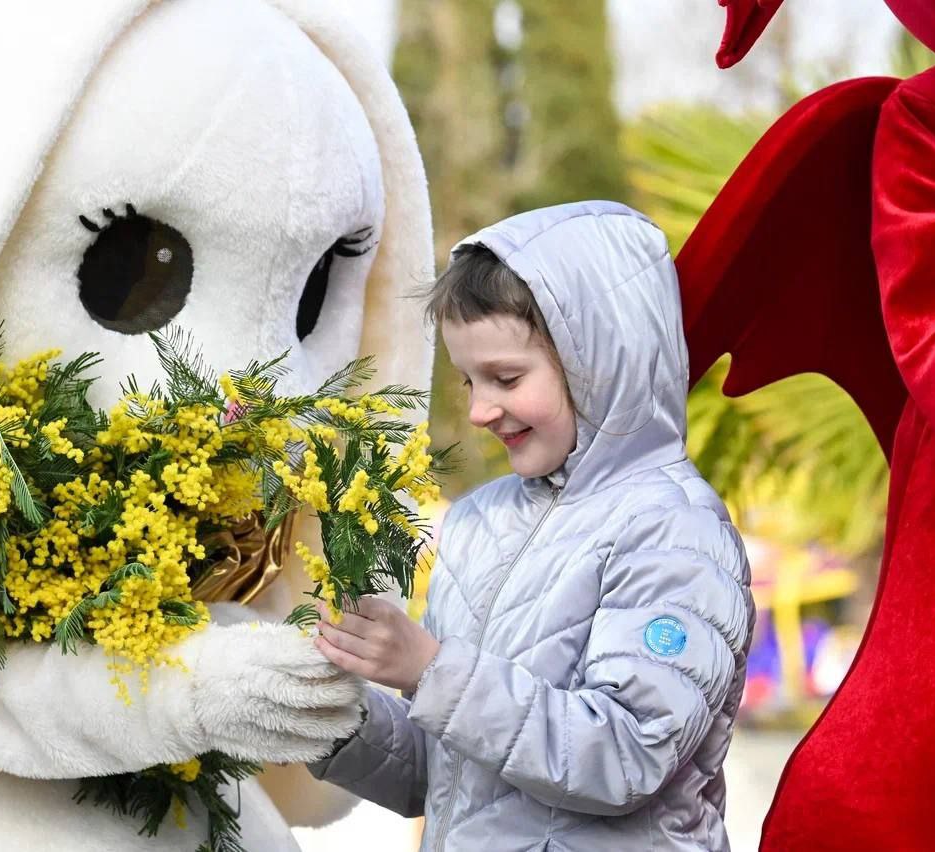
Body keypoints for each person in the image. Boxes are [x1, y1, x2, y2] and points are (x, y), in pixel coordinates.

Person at [309, 200, 753, 851]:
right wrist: (332, 715)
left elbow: (626, 756)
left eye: (506, 377)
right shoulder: (477, 522)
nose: (482, 410)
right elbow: (448, 775)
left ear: (601, 359)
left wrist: (431, 670)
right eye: (467, 381)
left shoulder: (674, 532)